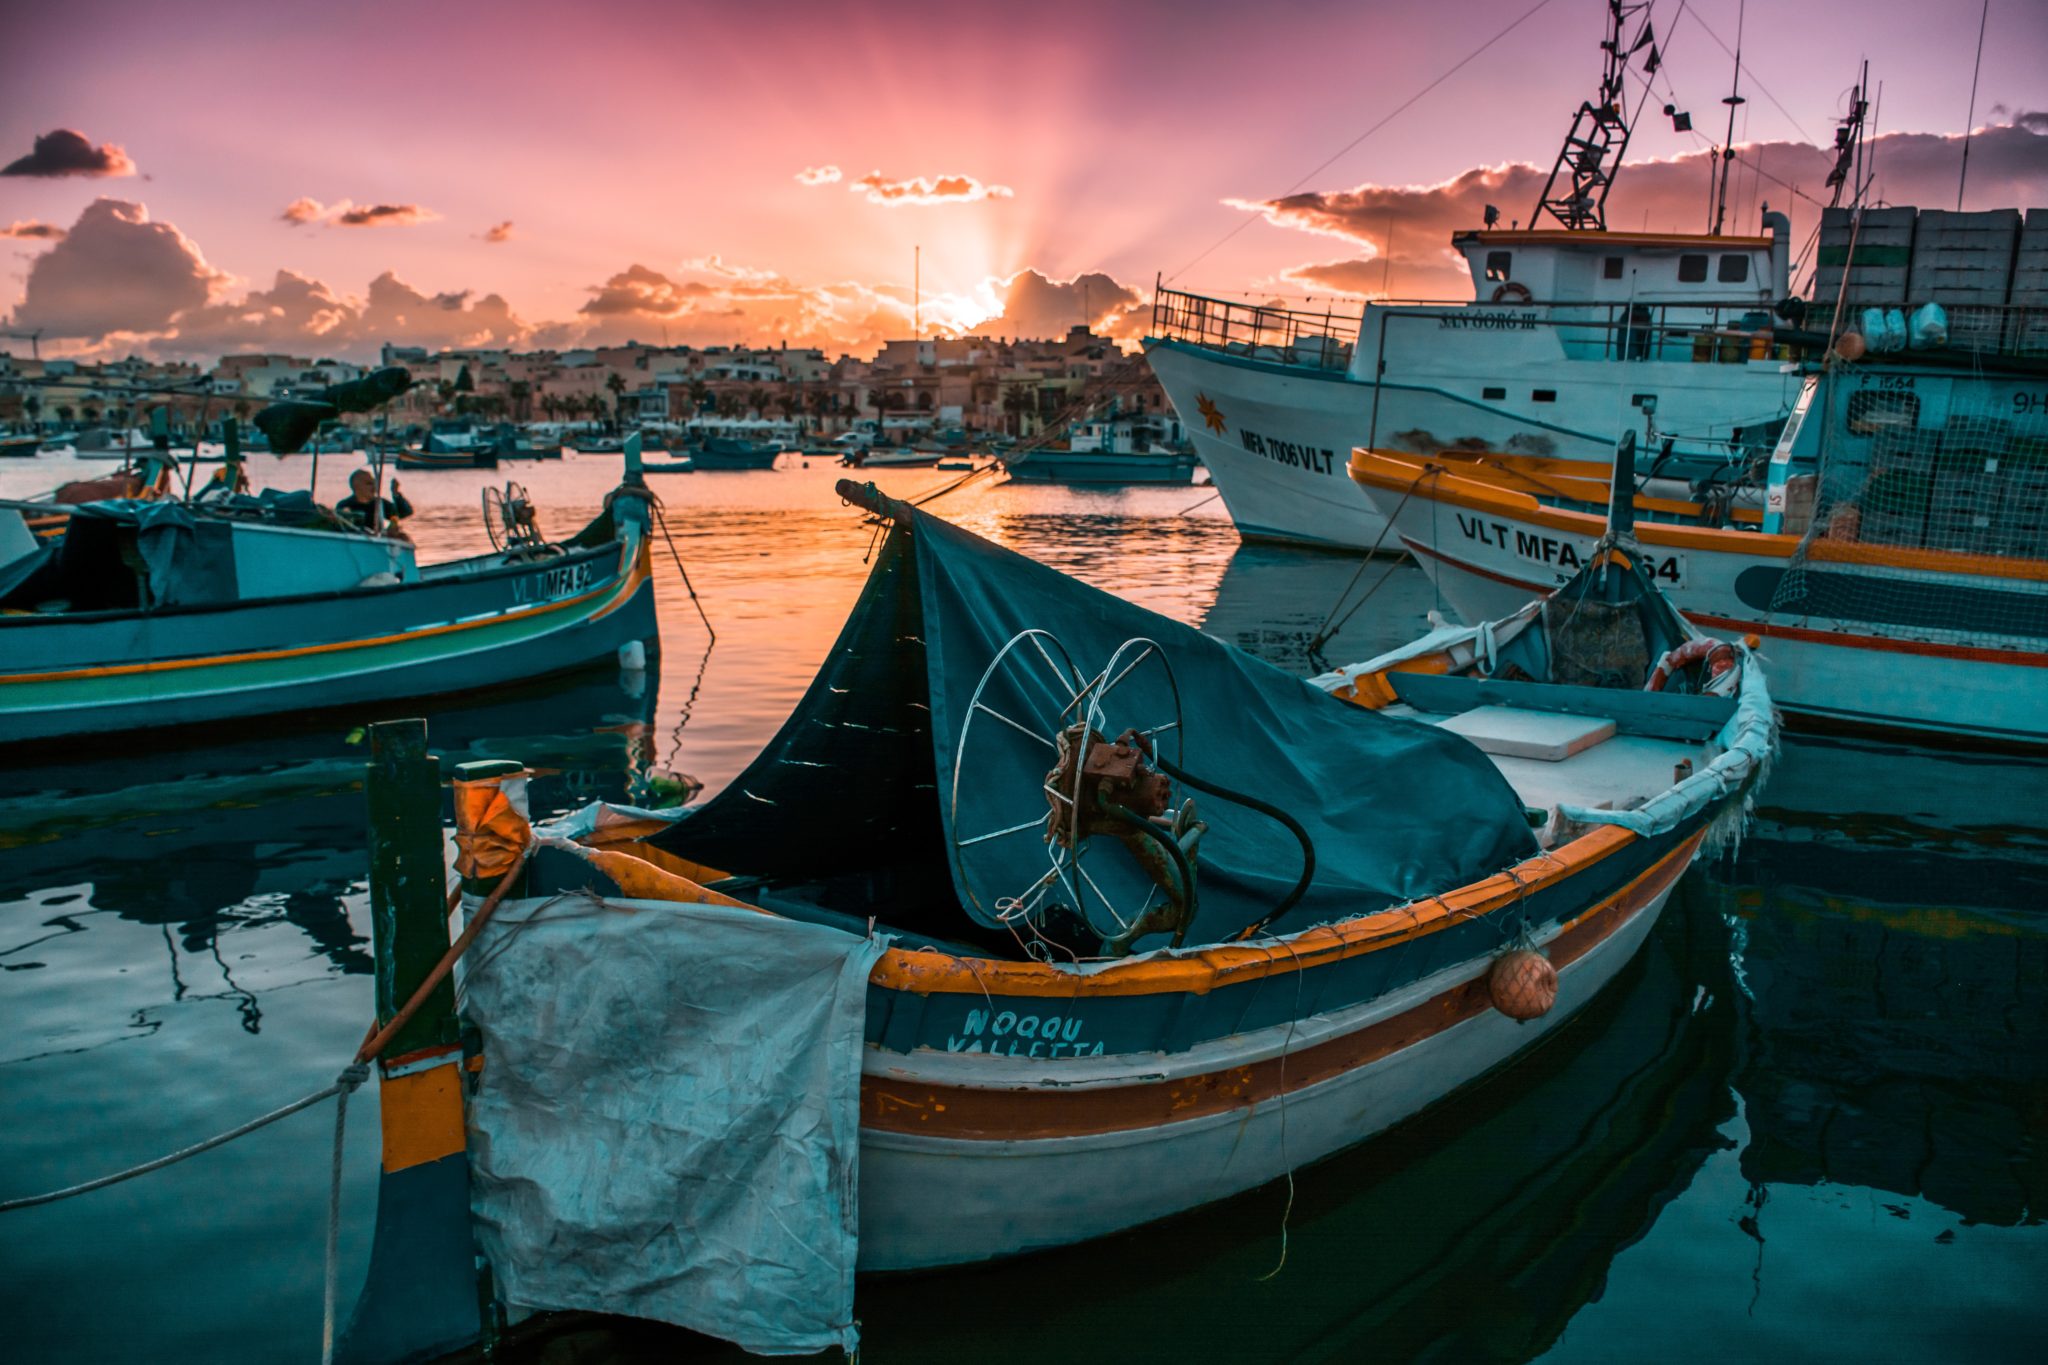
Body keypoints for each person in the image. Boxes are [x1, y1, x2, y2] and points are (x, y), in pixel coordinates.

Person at [335, 468, 413, 540]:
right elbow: (340, 528)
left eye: (374, 483)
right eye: (369, 484)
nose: (374, 487)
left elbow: (403, 513)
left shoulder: (380, 503)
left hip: (376, 542)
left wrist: (396, 494)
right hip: (354, 542)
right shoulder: (344, 505)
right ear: (356, 486)